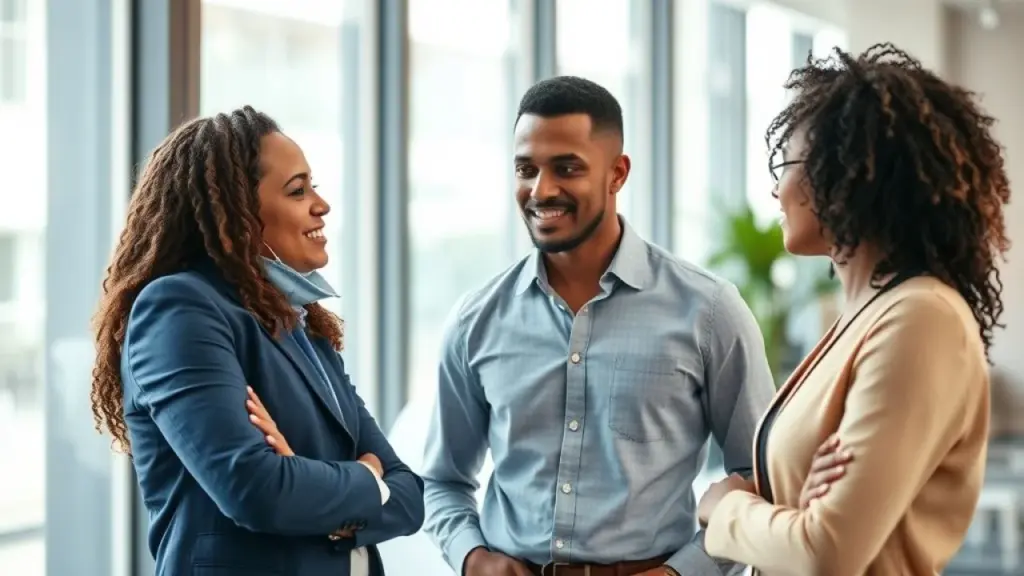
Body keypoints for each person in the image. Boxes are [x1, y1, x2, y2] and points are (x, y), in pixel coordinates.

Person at [421, 75, 777, 576]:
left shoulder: (709, 310)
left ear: (617, 173)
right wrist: (473, 558)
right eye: (526, 169)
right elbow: (442, 480)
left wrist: (685, 572)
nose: (541, 190)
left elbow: (760, 477)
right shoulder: (475, 319)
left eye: (566, 168)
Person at [696, 44, 1010, 576]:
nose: (775, 188)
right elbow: (812, 528)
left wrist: (723, 507)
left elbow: (825, 551)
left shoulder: (921, 320)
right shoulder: (865, 313)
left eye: (786, 164)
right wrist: (791, 511)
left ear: (844, 175)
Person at [89, 106, 424, 576]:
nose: (320, 206)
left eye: (314, 188)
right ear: (239, 211)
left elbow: (410, 496)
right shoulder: (180, 308)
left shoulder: (301, 325)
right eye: (297, 190)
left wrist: (308, 482)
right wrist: (365, 477)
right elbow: (256, 491)